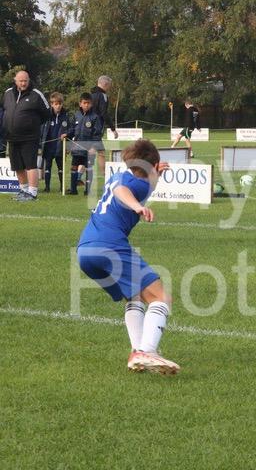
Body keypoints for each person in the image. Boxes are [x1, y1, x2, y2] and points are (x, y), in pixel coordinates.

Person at [77, 139, 179, 374]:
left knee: (134, 296)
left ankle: (137, 352)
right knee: (161, 297)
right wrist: (137, 207)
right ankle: (147, 351)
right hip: (109, 246)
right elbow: (122, 191)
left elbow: (132, 187)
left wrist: (155, 175)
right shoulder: (133, 186)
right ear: (153, 164)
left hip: (85, 250)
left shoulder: (122, 176)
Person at [0, 70, 50, 201]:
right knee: (17, 166)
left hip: (30, 137)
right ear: (15, 80)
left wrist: (32, 124)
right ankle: (23, 190)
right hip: (12, 137)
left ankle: (32, 193)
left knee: (30, 165)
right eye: (20, 81)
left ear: (29, 80)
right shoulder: (7, 93)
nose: (23, 83)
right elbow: (4, 110)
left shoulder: (36, 94)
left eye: (25, 81)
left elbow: (47, 113)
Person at [68, 92, 102, 195]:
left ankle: (87, 190)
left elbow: (97, 134)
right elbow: (72, 130)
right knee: (74, 167)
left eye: (88, 103)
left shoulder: (95, 117)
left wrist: (94, 147)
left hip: (89, 149)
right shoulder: (76, 115)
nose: (86, 105)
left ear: (91, 104)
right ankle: (73, 190)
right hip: (77, 148)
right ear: (80, 104)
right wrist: (66, 135)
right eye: (84, 103)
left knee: (89, 169)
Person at [39, 92, 74, 192]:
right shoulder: (46, 116)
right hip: (48, 146)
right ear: (52, 104)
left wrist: (67, 134)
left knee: (60, 167)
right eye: (56, 104)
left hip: (60, 146)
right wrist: (40, 144)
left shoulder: (66, 115)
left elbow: (72, 129)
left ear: (62, 104)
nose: (58, 106)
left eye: (60, 104)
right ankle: (47, 187)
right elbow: (41, 130)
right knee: (47, 167)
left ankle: (62, 187)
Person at [90, 75, 118, 175]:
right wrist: (113, 128)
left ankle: (81, 174)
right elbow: (104, 113)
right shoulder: (103, 96)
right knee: (100, 152)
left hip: (87, 127)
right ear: (106, 84)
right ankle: (104, 174)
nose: (110, 87)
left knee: (94, 150)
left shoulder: (90, 95)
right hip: (97, 128)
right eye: (109, 85)